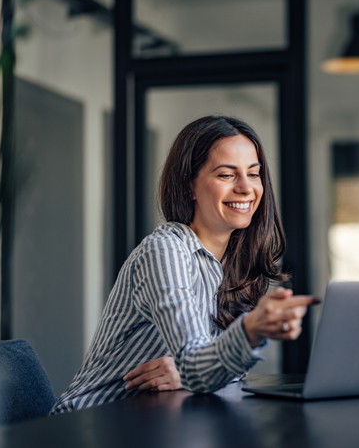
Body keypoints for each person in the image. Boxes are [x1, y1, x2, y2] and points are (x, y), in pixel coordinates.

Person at [52, 115, 317, 413]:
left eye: (253, 174)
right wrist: (247, 333)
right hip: (89, 424)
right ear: (190, 186)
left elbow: (205, 371)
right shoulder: (164, 251)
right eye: (226, 175)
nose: (246, 188)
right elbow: (199, 367)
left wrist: (188, 372)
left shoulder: (234, 262)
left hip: (154, 422)